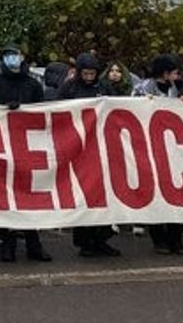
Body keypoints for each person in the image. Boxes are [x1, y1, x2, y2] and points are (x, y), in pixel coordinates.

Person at [0, 46, 52, 263]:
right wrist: (3, 110)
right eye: (7, 54)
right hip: (3, 146)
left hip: (28, 146)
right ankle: (8, 244)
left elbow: (43, 111)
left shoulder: (32, 84)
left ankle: (34, 244)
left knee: (29, 196)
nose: (12, 58)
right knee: (8, 195)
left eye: (15, 54)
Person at [57, 54, 122, 258]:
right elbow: (57, 111)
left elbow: (117, 108)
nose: (88, 77)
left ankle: (101, 238)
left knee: (102, 195)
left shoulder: (103, 88)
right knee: (84, 195)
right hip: (78, 147)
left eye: (92, 74)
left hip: (101, 146)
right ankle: (85, 241)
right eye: (85, 73)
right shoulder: (69, 88)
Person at [132, 54, 183, 255]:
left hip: (172, 149)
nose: (177, 76)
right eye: (174, 72)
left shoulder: (177, 88)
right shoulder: (142, 89)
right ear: (165, 73)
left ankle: (176, 239)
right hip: (149, 148)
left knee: (175, 192)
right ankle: (159, 239)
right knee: (156, 194)